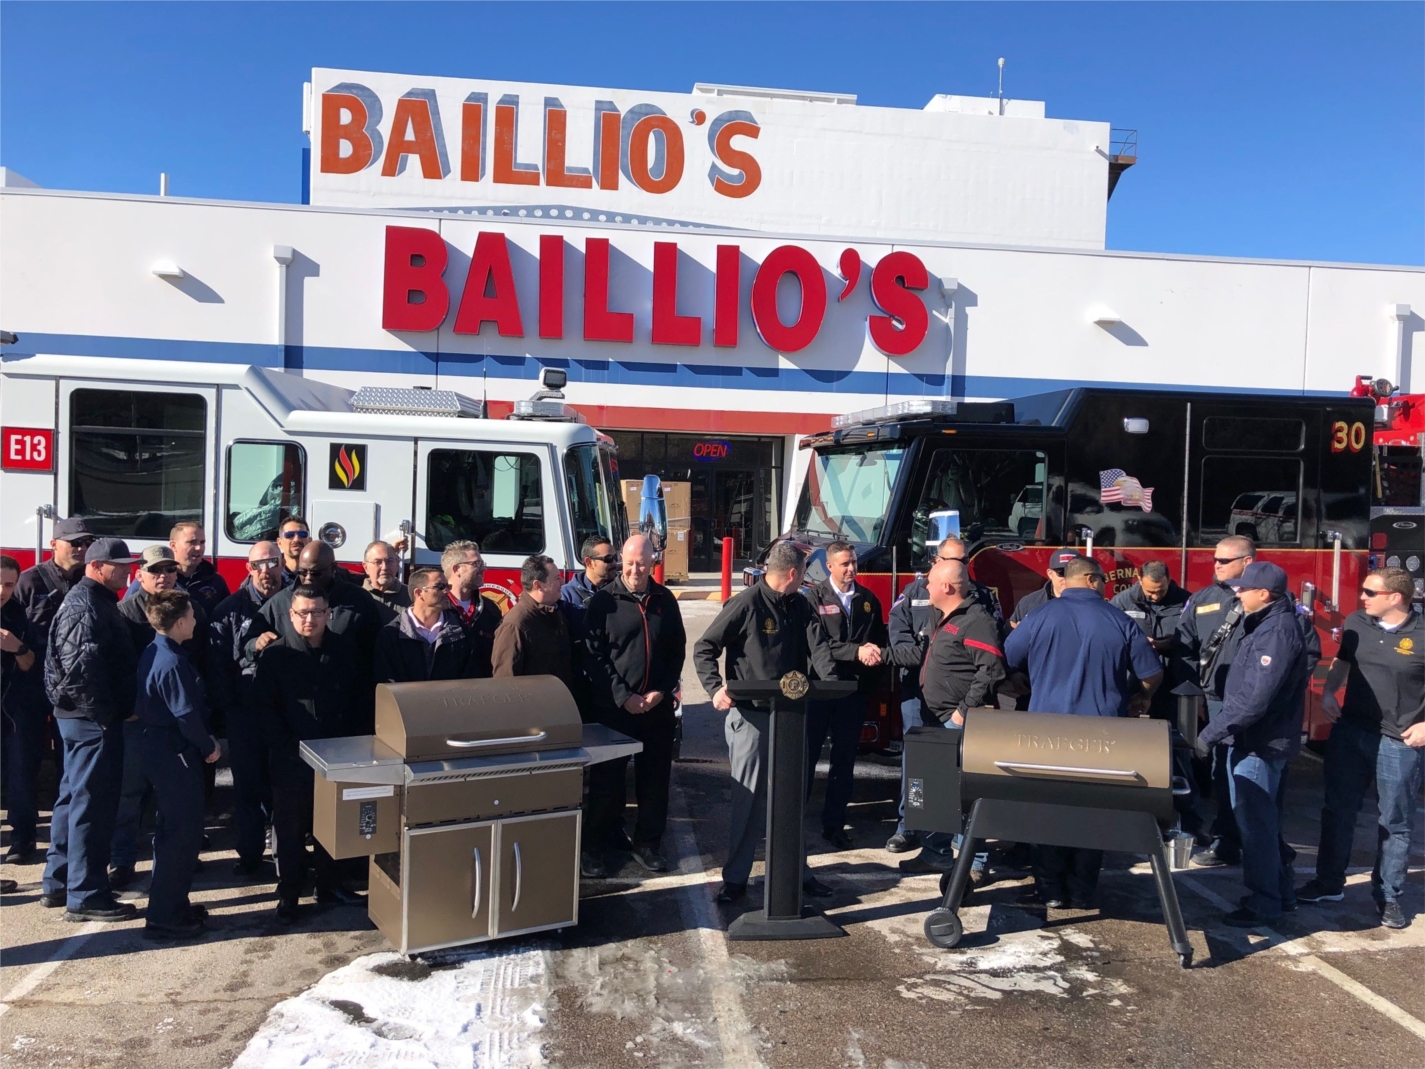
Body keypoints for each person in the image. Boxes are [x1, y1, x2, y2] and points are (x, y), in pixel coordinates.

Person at [1004, 557, 1163, 908]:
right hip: (1103, 737)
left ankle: (1051, 892)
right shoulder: (1118, 619)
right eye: (1103, 580)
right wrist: (1142, 696)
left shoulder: (1040, 616)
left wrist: (1025, 681)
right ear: (1091, 580)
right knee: (1094, 815)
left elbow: (1010, 656)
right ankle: (1081, 890)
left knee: (1047, 812)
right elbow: (1151, 671)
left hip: (1045, 735)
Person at [694, 541, 840, 904]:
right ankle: (736, 878)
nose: (806, 579)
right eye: (804, 572)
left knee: (793, 799)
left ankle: (798, 873)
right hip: (752, 718)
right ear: (793, 573)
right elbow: (704, 647)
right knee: (749, 802)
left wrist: (833, 684)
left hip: (791, 718)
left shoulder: (801, 605)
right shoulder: (746, 604)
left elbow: (818, 648)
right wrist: (715, 688)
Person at [1177, 536, 1320, 868]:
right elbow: (1186, 647)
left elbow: (1308, 653)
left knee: (1261, 787)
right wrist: (1195, 692)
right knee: (1223, 777)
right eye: (1214, 559)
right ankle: (1227, 841)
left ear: (1247, 562)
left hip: (1259, 713)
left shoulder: (1282, 612)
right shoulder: (1204, 599)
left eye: (1224, 561)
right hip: (1217, 704)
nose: (1216, 566)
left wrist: (1281, 690)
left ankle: (1270, 855)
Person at [1297, 567, 1423, 929]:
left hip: (1399, 741)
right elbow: (1344, 660)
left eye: (1370, 592)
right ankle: (1328, 882)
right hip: (1351, 732)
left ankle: (1388, 895)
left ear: (1395, 598)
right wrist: (1330, 690)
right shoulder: (1357, 622)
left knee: (1394, 821)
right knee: (1337, 810)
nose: (1362, 597)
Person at [1196, 562, 1308, 926]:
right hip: (1254, 739)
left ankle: (1264, 903)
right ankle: (1282, 893)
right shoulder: (1263, 623)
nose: (1237, 593)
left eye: (1243, 589)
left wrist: (1209, 735)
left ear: (1265, 593)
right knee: (1264, 823)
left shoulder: (1275, 632)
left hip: (1259, 744)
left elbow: (1255, 699)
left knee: (1256, 827)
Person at [255, 584, 371, 923]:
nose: (310, 619)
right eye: (303, 613)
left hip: (336, 757)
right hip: (292, 758)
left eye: (317, 612)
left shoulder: (345, 650)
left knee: (332, 825)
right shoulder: (276, 655)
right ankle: (289, 894)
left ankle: (329, 886)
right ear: (291, 615)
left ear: (328, 614)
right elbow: (263, 709)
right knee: (290, 831)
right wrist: (286, 747)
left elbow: (358, 701)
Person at [40, 537, 141, 921]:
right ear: (97, 568)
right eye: (119, 565)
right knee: (91, 805)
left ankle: (60, 881)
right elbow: (80, 669)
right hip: (89, 721)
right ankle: (85, 894)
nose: (127, 570)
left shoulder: (93, 600)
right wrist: (107, 715)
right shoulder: (87, 604)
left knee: (73, 799)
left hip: (80, 718)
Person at [885, 535, 1002, 854]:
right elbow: (897, 628)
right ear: (937, 560)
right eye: (954, 559)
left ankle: (956, 851)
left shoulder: (978, 598)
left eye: (964, 561)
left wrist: (964, 708)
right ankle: (909, 826)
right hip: (917, 692)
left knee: (955, 778)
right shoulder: (915, 590)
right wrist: (913, 656)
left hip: (954, 702)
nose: (961, 565)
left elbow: (990, 657)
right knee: (918, 769)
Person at [582, 535, 686, 876]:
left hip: (656, 710)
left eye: (641, 562)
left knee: (654, 781)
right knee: (606, 783)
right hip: (615, 712)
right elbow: (595, 657)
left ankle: (647, 844)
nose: (635, 569)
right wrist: (624, 697)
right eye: (628, 562)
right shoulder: (603, 603)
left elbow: (676, 653)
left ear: (652, 562)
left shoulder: (665, 600)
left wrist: (659, 691)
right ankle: (594, 849)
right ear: (620, 562)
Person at [110, 545, 209, 890]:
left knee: (171, 799)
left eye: (169, 569)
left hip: (172, 728)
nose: (163, 575)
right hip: (139, 721)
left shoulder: (185, 609)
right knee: (130, 793)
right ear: (140, 575)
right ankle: (121, 860)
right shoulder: (124, 613)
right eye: (155, 570)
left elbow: (196, 657)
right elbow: (118, 668)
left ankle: (176, 857)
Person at [133, 590, 219, 940]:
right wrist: (208, 746)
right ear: (181, 621)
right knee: (180, 835)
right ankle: (165, 915)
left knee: (174, 832)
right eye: (192, 616)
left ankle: (173, 905)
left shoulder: (159, 650)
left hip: (161, 751)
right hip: (173, 753)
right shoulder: (171, 662)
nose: (196, 621)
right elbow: (185, 714)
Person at [1110, 560, 1206, 840]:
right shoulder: (1122, 601)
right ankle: (1131, 819)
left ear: (1169, 581)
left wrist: (1169, 644)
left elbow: (1198, 645)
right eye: (1150, 592)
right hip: (1131, 687)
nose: (1155, 596)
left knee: (1177, 755)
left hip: (1172, 689)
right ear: (1139, 579)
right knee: (1127, 755)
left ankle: (1191, 822)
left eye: (1161, 590)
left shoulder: (1187, 602)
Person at [802, 541, 887, 851]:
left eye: (853, 563)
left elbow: (877, 643)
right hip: (820, 691)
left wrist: (867, 680)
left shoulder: (868, 600)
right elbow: (819, 645)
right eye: (845, 564)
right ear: (829, 566)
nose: (852, 569)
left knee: (844, 761)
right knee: (807, 758)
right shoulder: (813, 599)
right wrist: (856, 652)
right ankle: (793, 821)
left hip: (852, 693)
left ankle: (834, 824)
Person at [209, 542, 284, 877]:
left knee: (284, 789)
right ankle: (251, 855)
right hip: (245, 714)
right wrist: (231, 712)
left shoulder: (297, 603)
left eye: (272, 563)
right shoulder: (230, 609)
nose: (266, 571)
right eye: (258, 565)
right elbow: (217, 666)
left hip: (287, 713)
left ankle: (285, 857)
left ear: (283, 563)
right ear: (248, 569)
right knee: (247, 789)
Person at [14, 516, 97, 787]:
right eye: (74, 543)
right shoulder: (29, 582)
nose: (82, 548)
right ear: (53, 544)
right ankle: (24, 825)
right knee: (26, 755)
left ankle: (65, 814)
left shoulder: (90, 582)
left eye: (87, 542)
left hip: (73, 687)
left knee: (70, 756)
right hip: (32, 683)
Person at [253, 541, 381, 661]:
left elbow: (375, 650)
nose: (308, 578)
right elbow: (246, 644)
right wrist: (256, 643)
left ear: (333, 568)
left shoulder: (359, 600)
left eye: (316, 573)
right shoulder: (280, 602)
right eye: (302, 572)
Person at [2, 555, 46, 864]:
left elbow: (31, 663)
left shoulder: (20, 616)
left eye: (8, 584)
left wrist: (16, 646)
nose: (1, 590)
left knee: (20, 774)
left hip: (14, 707)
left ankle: (22, 839)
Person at [373, 566, 478, 683]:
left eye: (448, 586)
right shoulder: (391, 635)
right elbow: (386, 681)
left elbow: (469, 680)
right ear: (419, 593)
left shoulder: (461, 632)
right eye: (440, 587)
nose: (447, 591)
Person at [491, 555, 575, 690]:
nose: (563, 582)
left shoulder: (554, 612)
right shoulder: (515, 625)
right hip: (534, 706)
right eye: (556, 579)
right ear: (538, 585)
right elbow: (505, 682)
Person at [442, 541, 502, 678]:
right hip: (444, 693)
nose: (483, 569)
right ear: (456, 569)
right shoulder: (437, 608)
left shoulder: (490, 608)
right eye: (476, 564)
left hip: (481, 692)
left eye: (482, 564)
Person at [1008, 548, 1084, 628]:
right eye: (1062, 572)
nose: (1068, 577)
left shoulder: (1094, 604)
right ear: (1050, 574)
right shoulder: (1029, 603)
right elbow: (1012, 628)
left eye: (1074, 573)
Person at [362, 540, 411, 624]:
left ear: (397, 564)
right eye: (377, 562)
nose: (384, 567)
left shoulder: (412, 597)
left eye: (390, 561)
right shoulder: (356, 597)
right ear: (366, 567)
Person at [275, 516, 311, 581]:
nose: (296, 539)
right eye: (289, 535)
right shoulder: (273, 576)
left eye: (302, 534)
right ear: (279, 543)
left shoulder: (318, 575)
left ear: (310, 541)